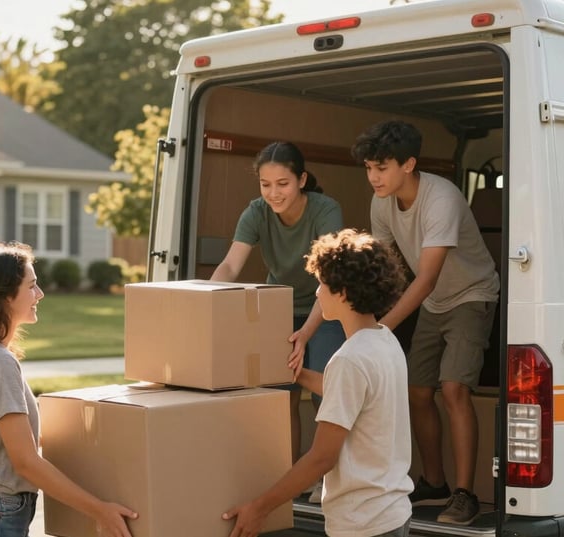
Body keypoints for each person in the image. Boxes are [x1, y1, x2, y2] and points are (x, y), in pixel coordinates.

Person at [0, 242, 138, 537]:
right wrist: (99, 509)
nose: (39, 295)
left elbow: (14, 442)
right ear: (2, 297)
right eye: (31, 286)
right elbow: (25, 461)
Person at [351, 119, 499, 526]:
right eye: (368, 168)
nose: (373, 177)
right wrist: (360, 313)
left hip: (472, 295)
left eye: (381, 168)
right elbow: (381, 268)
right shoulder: (381, 202)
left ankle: (465, 496)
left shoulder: (442, 198)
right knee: (417, 392)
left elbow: (428, 275)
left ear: (409, 164)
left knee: (453, 390)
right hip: (433, 302)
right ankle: (435, 482)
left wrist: (379, 329)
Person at [223, 228, 413, 537]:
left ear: (343, 292)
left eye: (322, 284)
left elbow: (322, 457)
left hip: (362, 525)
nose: (316, 293)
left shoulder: (349, 359)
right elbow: (352, 396)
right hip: (392, 514)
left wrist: (260, 508)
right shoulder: (384, 340)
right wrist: (297, 374)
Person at [210, 141, 346, 478]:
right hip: (280, 308)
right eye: (265, 184)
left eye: (282, 184)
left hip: (325, 309)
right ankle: (289, 477)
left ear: (302, 180)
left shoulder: (325, 210)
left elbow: (330, 280)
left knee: (324, 395)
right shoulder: (256, 212)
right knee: (281, 396)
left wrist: (306, 334)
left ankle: (326, 478)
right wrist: (207, 302)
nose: (273, 193)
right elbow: (230, 265)